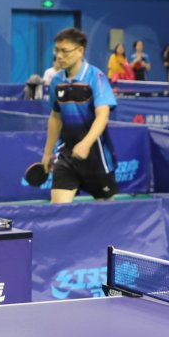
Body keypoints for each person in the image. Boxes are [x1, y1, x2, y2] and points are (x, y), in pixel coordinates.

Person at [39, 27, 118, 204]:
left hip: (96, 156)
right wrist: (47, 152)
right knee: (58, 210)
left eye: (65, 51)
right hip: (67, 155)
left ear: (80, 51)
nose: (59, 56)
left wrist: (86, 144)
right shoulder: (57, 81)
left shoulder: (96, 77)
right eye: (57, 50)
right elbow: (55, 117)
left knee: (107, 213)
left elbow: (102, 116)